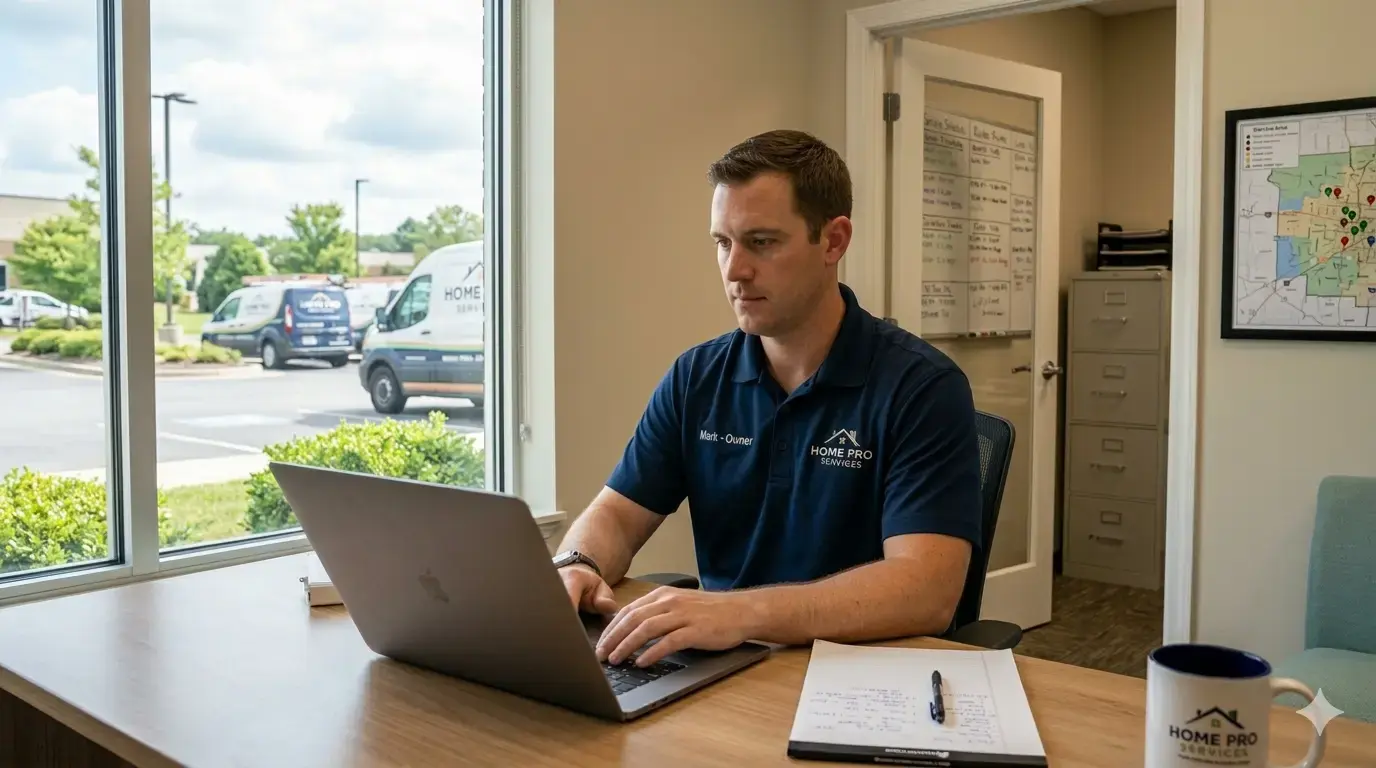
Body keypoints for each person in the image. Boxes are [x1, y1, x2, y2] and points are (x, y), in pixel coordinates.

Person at [551, 129, 983, 669]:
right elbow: (616, 514)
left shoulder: (921, 387)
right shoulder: (697, 377)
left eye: (761, 242)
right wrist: (577, 563)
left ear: (833, 241)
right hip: (725, 665)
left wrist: (741, 612)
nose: (734, 270)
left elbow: (926, 590)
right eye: (722, 242)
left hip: (862, 676)